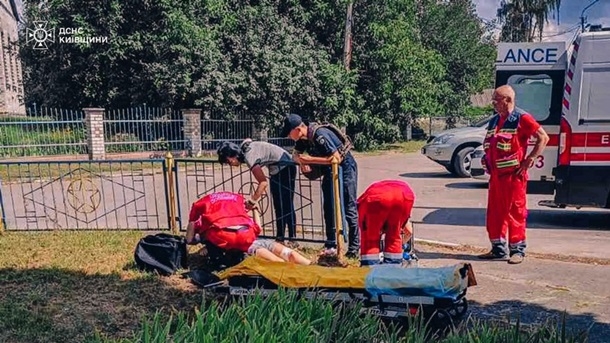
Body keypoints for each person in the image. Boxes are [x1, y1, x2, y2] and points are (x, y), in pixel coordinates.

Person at [479, 85, 549, 264]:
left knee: (515, 213)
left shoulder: (522, 118)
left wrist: (530, 159)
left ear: (508, 100)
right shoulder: (494, 120)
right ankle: (497, 249)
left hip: (513, 177)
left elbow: (543, 137)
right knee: (495, 214)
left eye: (496, 100)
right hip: (496, 177)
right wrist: (486, 159)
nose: (493, 103)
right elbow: (490, 145)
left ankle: (517, 250)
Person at [281, 113, 359, 258]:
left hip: (345, 168)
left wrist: (311, 159)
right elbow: (295, 155)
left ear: (298, 129)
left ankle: (354, 248)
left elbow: (336, 158)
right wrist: (302, 162)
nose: (288, 137)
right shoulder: (303, 139)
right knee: (329, 207)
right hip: (330, 171)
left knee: (349, 207)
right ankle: (331, 244)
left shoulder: (319, 134)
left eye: (289, 133)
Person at [185, 191, 311, 265]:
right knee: (279, 250)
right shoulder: (237, 199)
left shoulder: (202, 208)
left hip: (224, 236)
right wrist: (255, 208)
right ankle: (310, 266)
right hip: (246, 234)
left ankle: (284, 268)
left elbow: (189, 239)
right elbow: (258, 228)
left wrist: (202, 244)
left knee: (255, 249)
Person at [217, 139, 299, 247]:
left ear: (234, 155)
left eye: (229, 161)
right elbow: (248, 140)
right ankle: (280, 238)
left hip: (285, 167)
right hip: (276, 169)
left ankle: (293, 239)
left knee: (287, 204)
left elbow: (263, 182)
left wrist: (252, 200)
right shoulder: (244, 149)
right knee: (278, 205)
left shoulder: (249, 157)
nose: (231, 165)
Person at [357, 180, 415, 266]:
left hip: (376, 197)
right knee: (394, 236)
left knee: (370, 239)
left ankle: (371, 272)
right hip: (405, 194)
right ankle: (392, 271)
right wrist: (401, 245)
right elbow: (409, 231)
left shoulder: (361, 207)